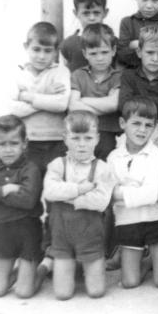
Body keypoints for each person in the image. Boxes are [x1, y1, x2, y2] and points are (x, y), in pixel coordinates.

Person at [42, 111, 114, 300]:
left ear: (97, 139)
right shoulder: (58, 164)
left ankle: (87, 266)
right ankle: (54, 262)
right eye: (75, 138)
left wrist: (67, 196)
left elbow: (101, 201)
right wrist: (80, 189)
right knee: (62, 294)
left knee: (96, 292)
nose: (82, 144)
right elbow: (50, 191)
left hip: (90, 237)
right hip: (62, 238)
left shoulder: (102, 168)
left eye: (88, 138)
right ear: (65, 138)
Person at [0, 115, 42, 298]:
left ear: (24, 143)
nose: (8, 150)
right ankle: (19, 272)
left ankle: (43, 267)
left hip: (27, 232)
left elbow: (28, 200)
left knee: (24, 292)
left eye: (14, 143)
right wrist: (5, 189)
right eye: (2, 144)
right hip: (1, 234)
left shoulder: (30, 169)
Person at [107, 97, 158, 289]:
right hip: (127, 221)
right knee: (129, 282)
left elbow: (151, 194)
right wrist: (134, 189)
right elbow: (107, 193)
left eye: (148, 125)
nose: (142, 130)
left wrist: (120, 192)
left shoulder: (156, 155)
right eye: (136, 123)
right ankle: (142, 260)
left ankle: (149, 260)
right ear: (122, 123)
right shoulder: (114, 157)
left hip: (155, 219)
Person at [10, 22, 70, 176]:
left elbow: (61, 104)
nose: (41, 56)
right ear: (26, 47)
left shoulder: (61, 72)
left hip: (57, 141)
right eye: (36, 49)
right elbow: (13, 109)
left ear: (56, 51)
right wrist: (47, 96)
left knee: (55, 183)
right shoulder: (18, 74)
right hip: (28, 141)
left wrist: (27, 96)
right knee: (31, 183)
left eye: (48, 51)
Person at [68, 23, 122, 159]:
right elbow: (73, 106)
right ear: (85, 54)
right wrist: (104, 104)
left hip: (108, 134)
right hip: (82, 133)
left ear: (113, 50)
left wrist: (83, 100)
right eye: (93, 53)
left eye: (104, 52)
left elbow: (113, 104)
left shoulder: (118, 76)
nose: (99, 58)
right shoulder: (78, 75)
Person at [118, 26, 158, 151]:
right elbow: (123, 104)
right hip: (134, 127)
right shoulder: (129, 75)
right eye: (150, 52)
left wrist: (136, 100)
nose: (155, 59)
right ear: (139, 52)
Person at [60, 0, 109, 72]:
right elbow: (62, 72)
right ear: (76, 13)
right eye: (86, 13)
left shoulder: (111, 41)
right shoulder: (69, 44)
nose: (92, 18)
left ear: (105, 13)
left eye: (96, 13)